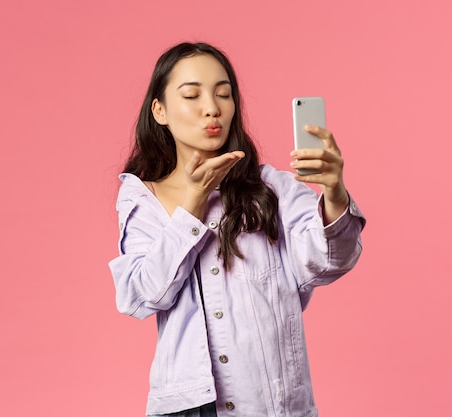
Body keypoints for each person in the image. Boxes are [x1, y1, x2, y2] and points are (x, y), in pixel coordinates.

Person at [108, 42, 365, 417]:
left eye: (224, 94)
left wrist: (335, 194)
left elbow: (328, 263)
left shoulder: (269, 188)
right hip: (188, 406)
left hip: (271, 402)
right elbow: (143, 295)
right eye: (192, 94)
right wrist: (193, 203)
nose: (212, 107)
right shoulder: (142, 200)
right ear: (159, 111)